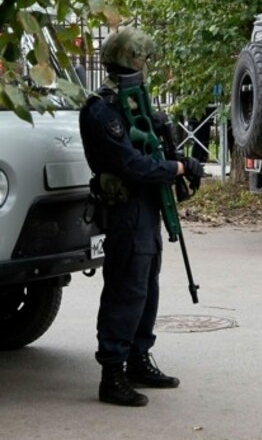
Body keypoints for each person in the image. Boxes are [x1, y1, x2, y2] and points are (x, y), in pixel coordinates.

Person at [79, 27, 204, 407]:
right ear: (132, 60)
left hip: (146, 206)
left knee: (147, 286)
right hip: (125, 209)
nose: (147, 67)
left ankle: (137, 358)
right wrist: (177, 168)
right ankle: (112, 372)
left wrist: (176, 162)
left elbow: (154, 144)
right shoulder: (102, 109)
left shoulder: (135, 104)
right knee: (126, 289)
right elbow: (131, 164)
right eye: (144, 59)